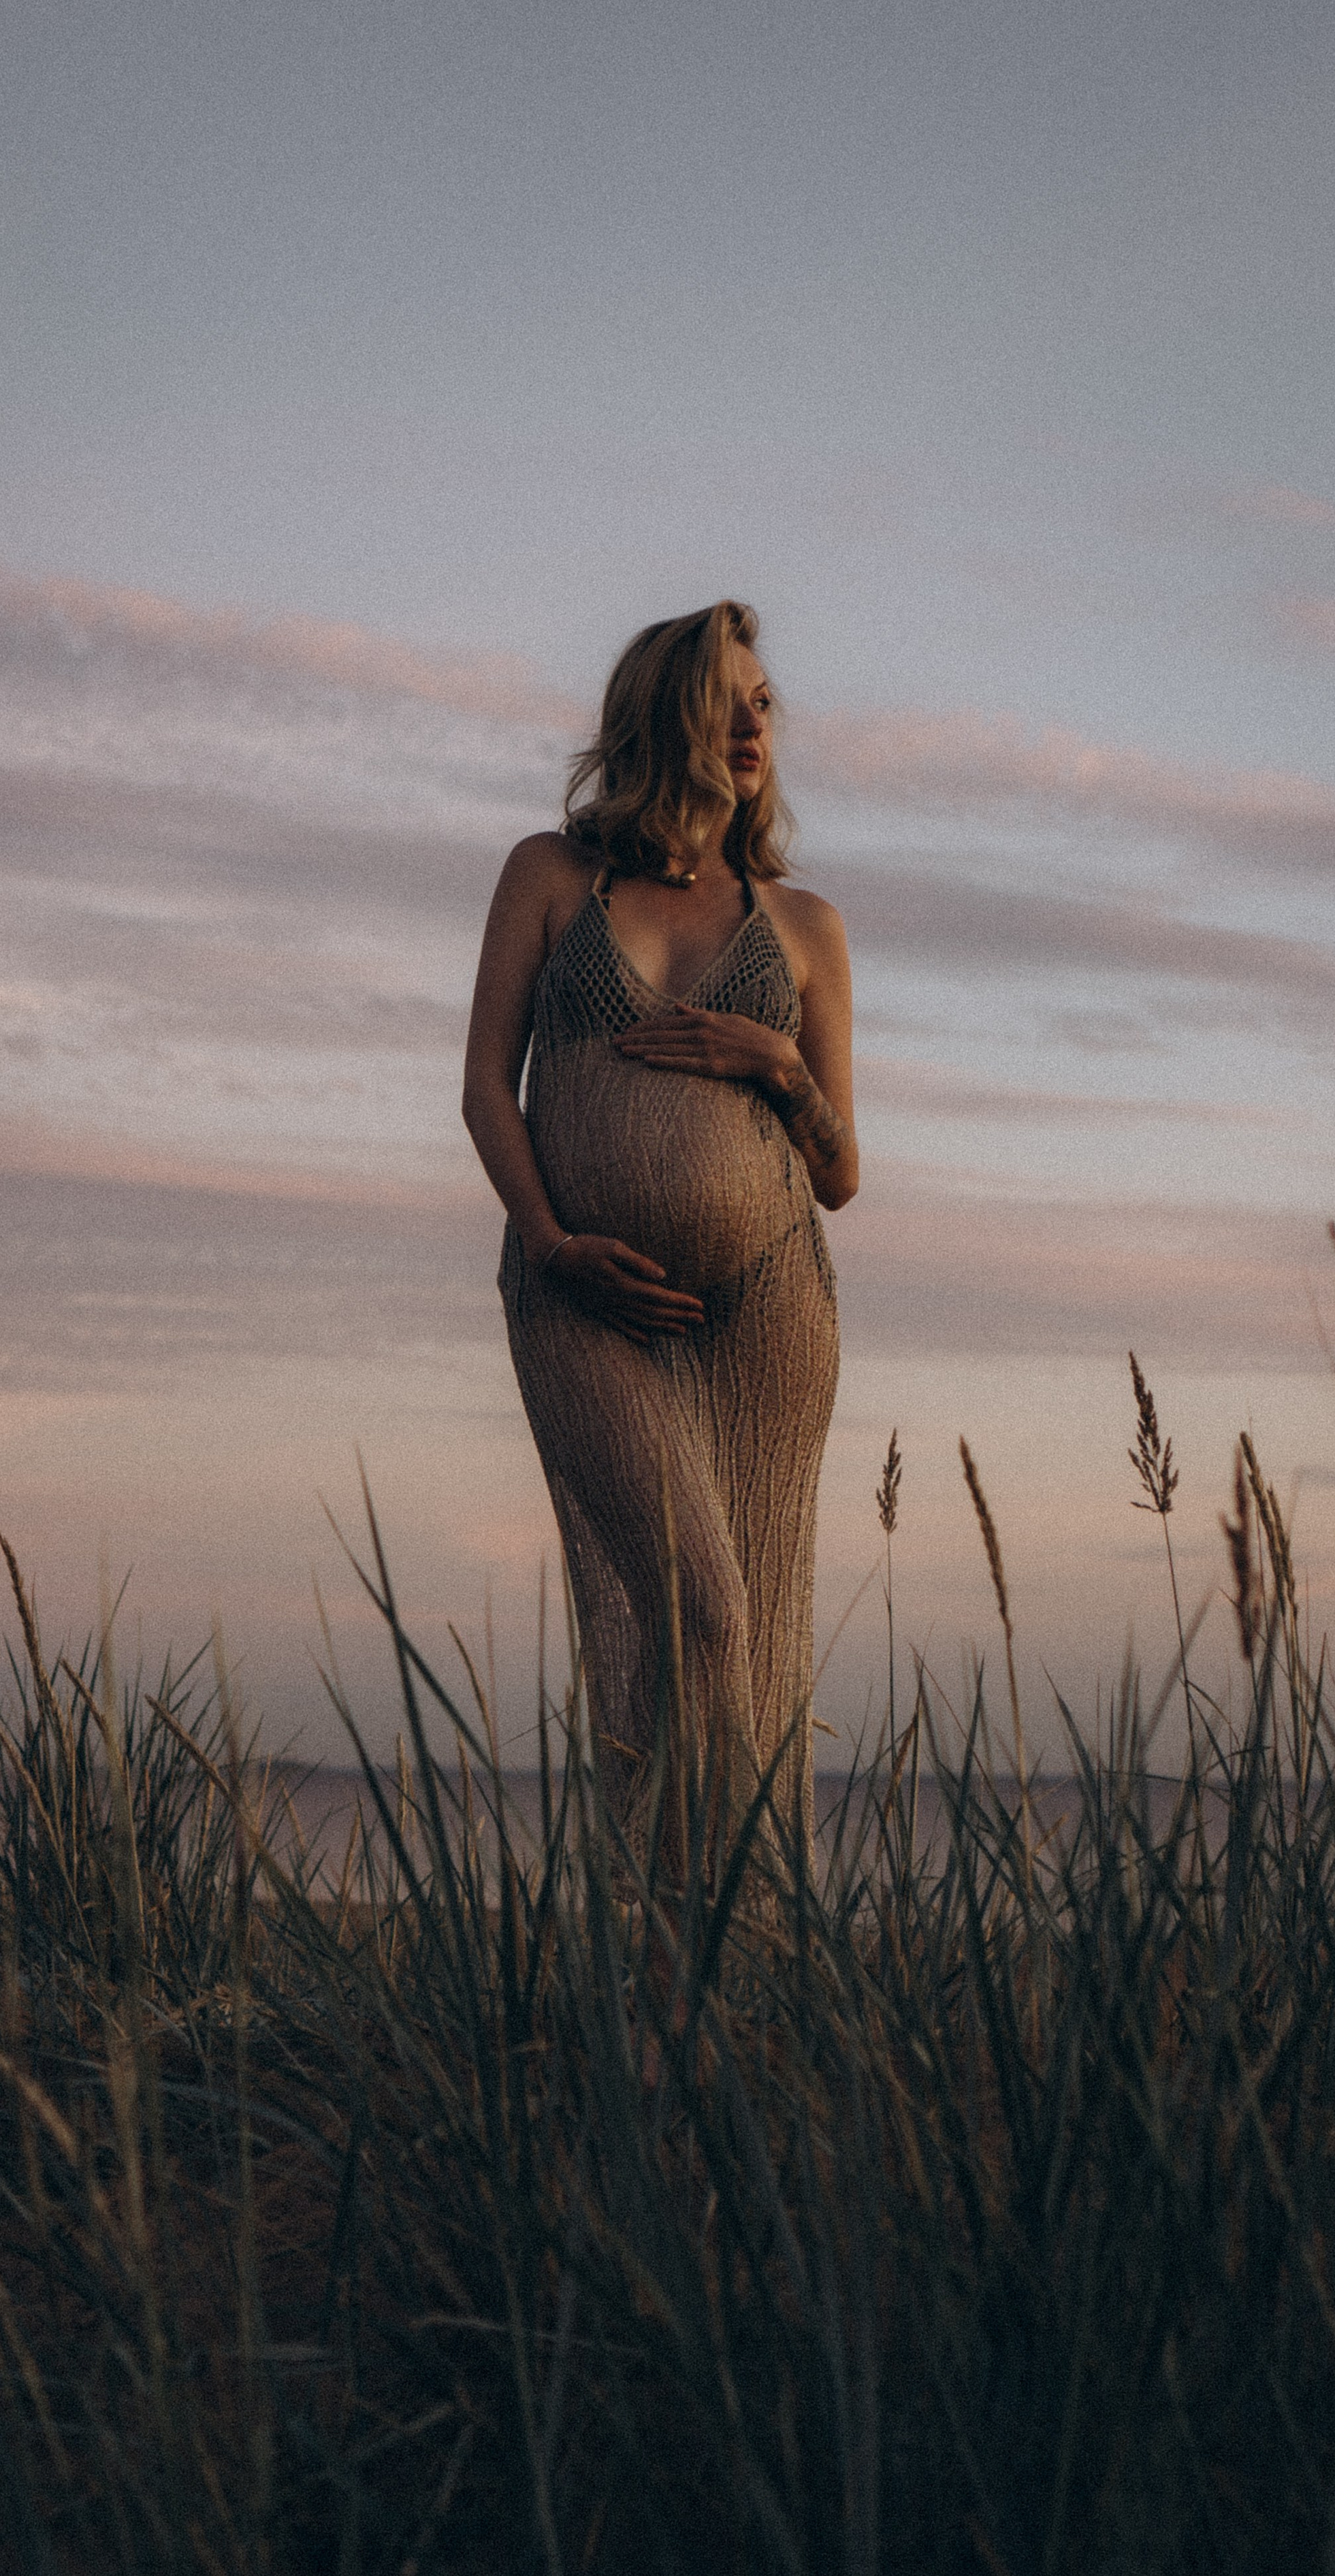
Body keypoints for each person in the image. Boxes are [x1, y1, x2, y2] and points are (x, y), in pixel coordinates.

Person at [462, 601, 857, 1871]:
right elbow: (486, 1087)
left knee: (750, 1638)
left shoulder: (804, 926)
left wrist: (778, 1065)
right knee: (701, 1608)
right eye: (724, 700)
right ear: (660, 714)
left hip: (766, 1309)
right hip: (578, 1292)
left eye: (765, 703)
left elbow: (841, 1175)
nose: (754, 724)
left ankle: (695, 1932)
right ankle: (702, 1913)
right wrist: (550, 1241)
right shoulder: (550, 875)